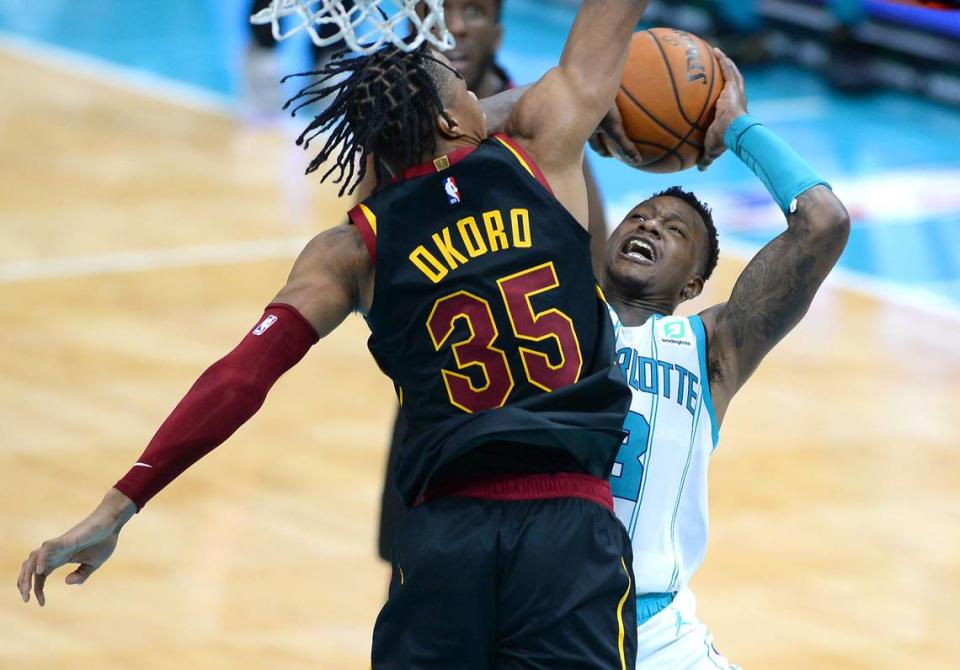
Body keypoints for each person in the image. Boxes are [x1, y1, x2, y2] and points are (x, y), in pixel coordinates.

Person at [18, 0, 655, 667]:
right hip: (567, 530)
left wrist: (120, 505)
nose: (482, 95)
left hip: (445, 541)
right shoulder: (543, 156)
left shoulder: (351, 252)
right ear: (447, 118)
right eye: (467, 91)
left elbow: (238, 378)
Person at [594, 51, 850, 668]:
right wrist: (584, 115)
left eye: (675, 232)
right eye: (639, 216)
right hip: (543, 618)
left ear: (692, 287)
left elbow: (823, 223)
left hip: (658, 634)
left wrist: (735, 126)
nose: (650, 226)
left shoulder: (710, 348)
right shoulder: (556, 314)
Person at [376, 0, 612, 565]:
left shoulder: (550, 134)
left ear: (499, 31)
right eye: (437, 10)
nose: (454, 27)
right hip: (445, 401)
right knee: (409, 572)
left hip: (544, 428)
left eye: (473, 12)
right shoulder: (393, 129)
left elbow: (597, 274)